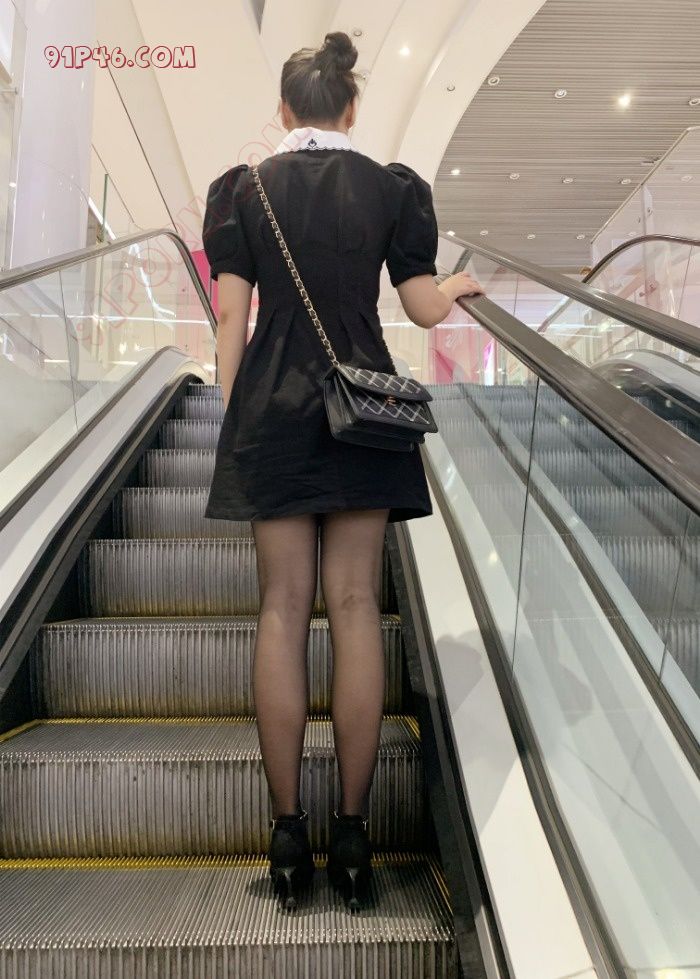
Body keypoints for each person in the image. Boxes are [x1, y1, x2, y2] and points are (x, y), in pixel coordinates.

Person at [201, 30, 483, 911]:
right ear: (351, 108)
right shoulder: (391, 189)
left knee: (282, 610)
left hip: (274, 414)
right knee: (356, 606)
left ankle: (289, 837)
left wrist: (237, 416)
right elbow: (422, 307)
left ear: (285, 110)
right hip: (365, 413)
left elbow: (231, 322)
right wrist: (457, 288)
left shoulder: (242, 191)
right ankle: (354, 837)